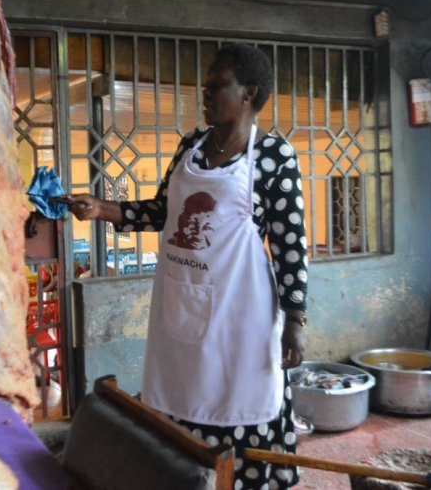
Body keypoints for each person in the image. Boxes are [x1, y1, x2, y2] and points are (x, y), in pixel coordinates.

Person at [66, 43, 307, 489]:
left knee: (241, 404)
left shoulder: (274, 156)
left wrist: (296, 319)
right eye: (205, 86)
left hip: (241, 316)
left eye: (217, 86)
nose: (206, 94)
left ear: (249, 92)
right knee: (180, 405)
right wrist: (102, 209)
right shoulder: (191, 147)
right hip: (181, 304)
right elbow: (162, 212)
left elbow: (292, 245)